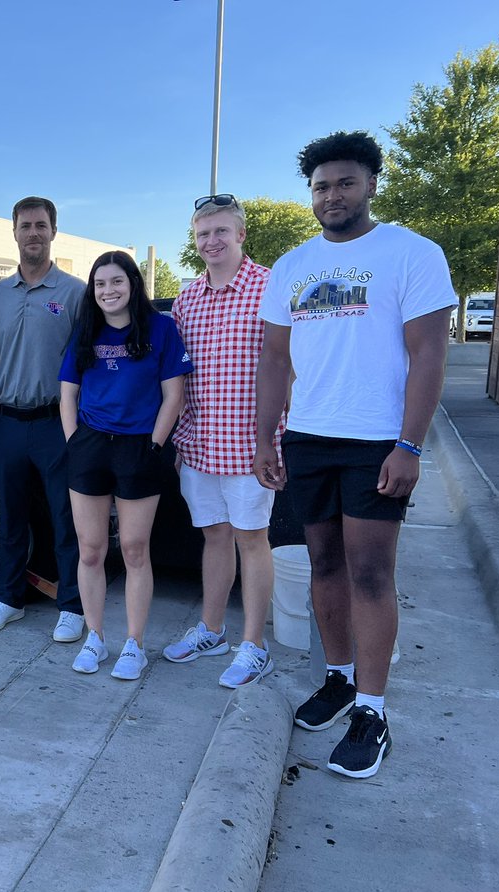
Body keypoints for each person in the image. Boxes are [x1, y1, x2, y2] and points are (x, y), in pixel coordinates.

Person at [254, 131, 455, 778]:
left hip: (376, 440)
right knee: (322, 564)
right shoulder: (289, 266)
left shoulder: (411, 253)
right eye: (320, 186)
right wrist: (265, 436)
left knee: (370, 572)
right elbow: (275, 358)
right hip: (309, 437)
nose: (331, 195)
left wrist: (408, 445)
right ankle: (338, 678)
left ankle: (373, 709)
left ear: (371, 184)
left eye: (344, 182)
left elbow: (428, 354)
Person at [163, 194, 284, 687]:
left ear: (240, 235)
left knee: (252, 541)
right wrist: (175, 439)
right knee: (214, 536)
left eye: (220, 232)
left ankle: (254, 645)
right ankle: (212, 630)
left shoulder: (270, 287)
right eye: (202, 234)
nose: (211, 241)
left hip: (252, 446)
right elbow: (177, 376)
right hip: (198, 443)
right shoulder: (186, 299)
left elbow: (288, 367)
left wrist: (274, 439)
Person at [59, 251, 191, 678]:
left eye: (116, 282)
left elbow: (174, 395)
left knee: (135, 549)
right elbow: (67, 395)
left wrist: (155, 445)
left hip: (139, 447)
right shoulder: (86, 330)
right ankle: (95, 638)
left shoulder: (161, 328)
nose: (108, 291)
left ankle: (134, 644)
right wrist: (75, 442)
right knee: (92, 549)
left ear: (133, 284)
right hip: (91, 447)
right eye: (100, 284)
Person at [0, 197, 86, 642]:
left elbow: (87, 360)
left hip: (55, 424)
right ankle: (8, 598)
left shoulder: (75, 292)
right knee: (10, 516)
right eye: (26, 226)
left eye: (42, 225)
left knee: (66, 516)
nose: (33, 233)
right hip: (5, 422)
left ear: (54, 231)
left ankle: (72, 605)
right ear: (14, 232)